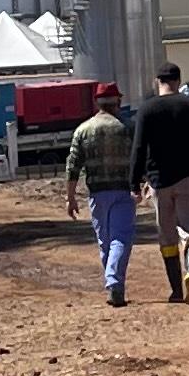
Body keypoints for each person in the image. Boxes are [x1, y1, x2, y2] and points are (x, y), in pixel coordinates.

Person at [132, 63, 189, 306]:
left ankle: (176, 291)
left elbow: (139, 148)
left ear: (157, 81)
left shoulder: (146, 109)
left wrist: (134, 183)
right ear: (178, 80)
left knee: (167, 236)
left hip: (159, 181)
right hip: (188, 178)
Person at [63, 82, 144, 307]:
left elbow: (72, 166)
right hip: (123, 191)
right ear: (118, 101)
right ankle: (114, 282)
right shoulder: (129, 128)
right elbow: (141, 159)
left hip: (97, 193)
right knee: (121, 238)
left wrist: (70, 197)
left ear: (96, 102)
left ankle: (113, 283)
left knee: (105, 241)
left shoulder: (83, 130)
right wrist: (144, 182)